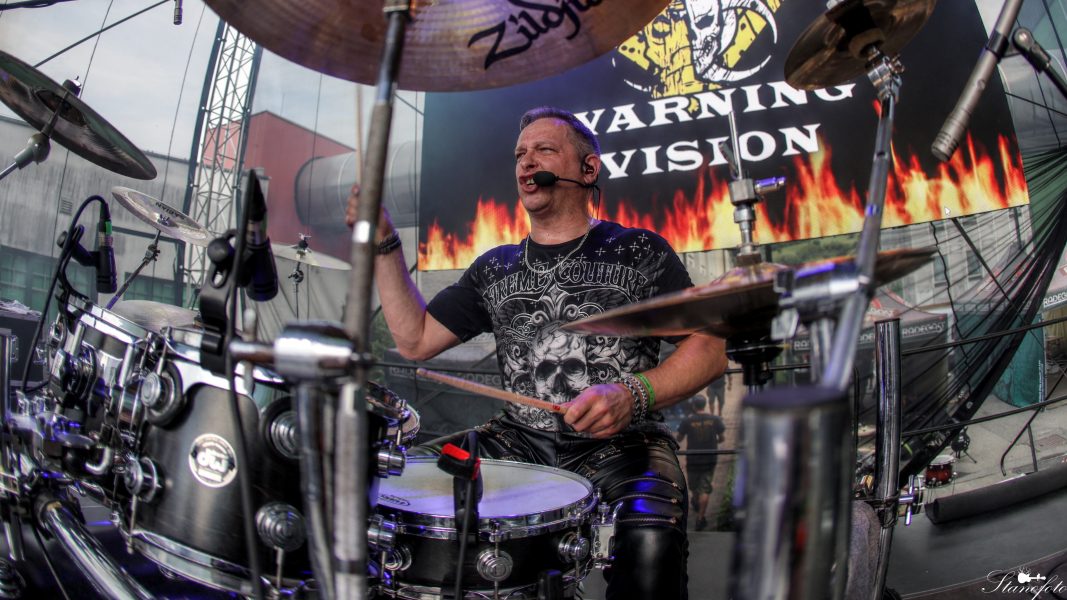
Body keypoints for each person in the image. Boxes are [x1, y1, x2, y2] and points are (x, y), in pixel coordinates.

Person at [347, 106, 726, 599]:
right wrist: (385, 244)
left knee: (651, 532)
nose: (526, 162)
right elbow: (414, 339)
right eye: (520, 154)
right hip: (517, 441)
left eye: (544, 150)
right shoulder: (494, 268)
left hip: (625, 446)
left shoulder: (639, 251)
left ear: (588, 169)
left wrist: (634, 393)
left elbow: (710, 347)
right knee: (401, 487)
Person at [675, 395, 726, 531]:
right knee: (704, 488)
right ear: (705, 405)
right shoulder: (715, 419)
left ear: (693, 406)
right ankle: (700, 518)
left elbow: (679, 438)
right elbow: (722, 438)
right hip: (709, 458)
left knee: (694, 486)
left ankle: (698, 511)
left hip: (693, 458)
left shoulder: (687, 420)